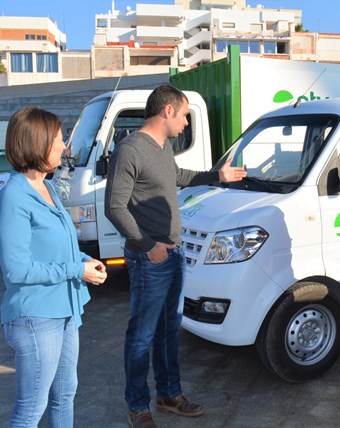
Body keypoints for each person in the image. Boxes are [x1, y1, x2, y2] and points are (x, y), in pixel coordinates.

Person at [104, 84, 246, 428]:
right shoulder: (130, 150)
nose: (185, 122)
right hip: (148, 259)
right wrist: (146, 246)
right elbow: (114, 208)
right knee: (141, 336)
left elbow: (176, 177)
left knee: (168, 331)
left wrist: (218, 176)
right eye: (184, 114)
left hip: (174, 255)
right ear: (167, 110)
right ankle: (137, 405)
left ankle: (169, 395)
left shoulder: (163, 146)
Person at [0, 107, 108, 427]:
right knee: (31, 408)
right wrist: (77, 270)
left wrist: (84, 260)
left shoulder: (47, 187)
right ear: (37, 142)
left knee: (64, 394)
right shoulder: (14, 197)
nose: (65, 147)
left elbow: (60, 243)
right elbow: (16, 270)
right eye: (59, 140)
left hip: (65, 309)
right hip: (37, 316)